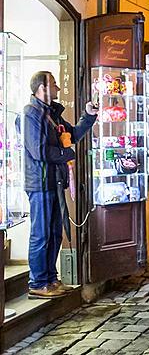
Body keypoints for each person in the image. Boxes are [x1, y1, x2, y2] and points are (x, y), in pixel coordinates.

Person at [22, 71, 97, 298]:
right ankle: (38, 282)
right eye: (53, 85)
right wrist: (66, 154)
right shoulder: (30, 114)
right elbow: (39, 151)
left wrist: (88, 116)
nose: (58, 89)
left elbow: (71, 134)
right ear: (42, 89)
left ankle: (51, 279)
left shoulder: (51, 113)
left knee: (54, 233)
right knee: (41, 234)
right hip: (40, 182)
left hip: (54, 180)